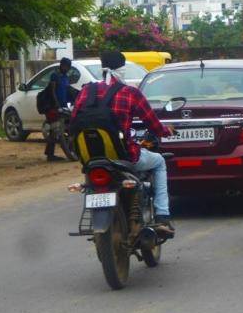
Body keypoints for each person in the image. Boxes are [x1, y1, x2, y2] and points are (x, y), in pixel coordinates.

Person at [70, 51, 176, 236]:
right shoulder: (130, 93)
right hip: (124, 156)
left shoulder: (87, 90)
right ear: (122, 69)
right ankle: (162, 216)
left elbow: (73, 122)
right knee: (159, 162)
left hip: (90, 158)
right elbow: (153, 124)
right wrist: (167, 131)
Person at [44, 57, 72, 162]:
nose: (67, 69)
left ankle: (50, 153)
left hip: (63, 106)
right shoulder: (55, 76)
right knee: (54, 130)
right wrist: (56, 105)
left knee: (57, 130)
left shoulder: (65, 77)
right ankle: (50, 155)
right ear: (62, 65)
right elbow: (52, 91)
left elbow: (67, 91)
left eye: (69, 67)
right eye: (66, 66)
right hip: (54, 107)